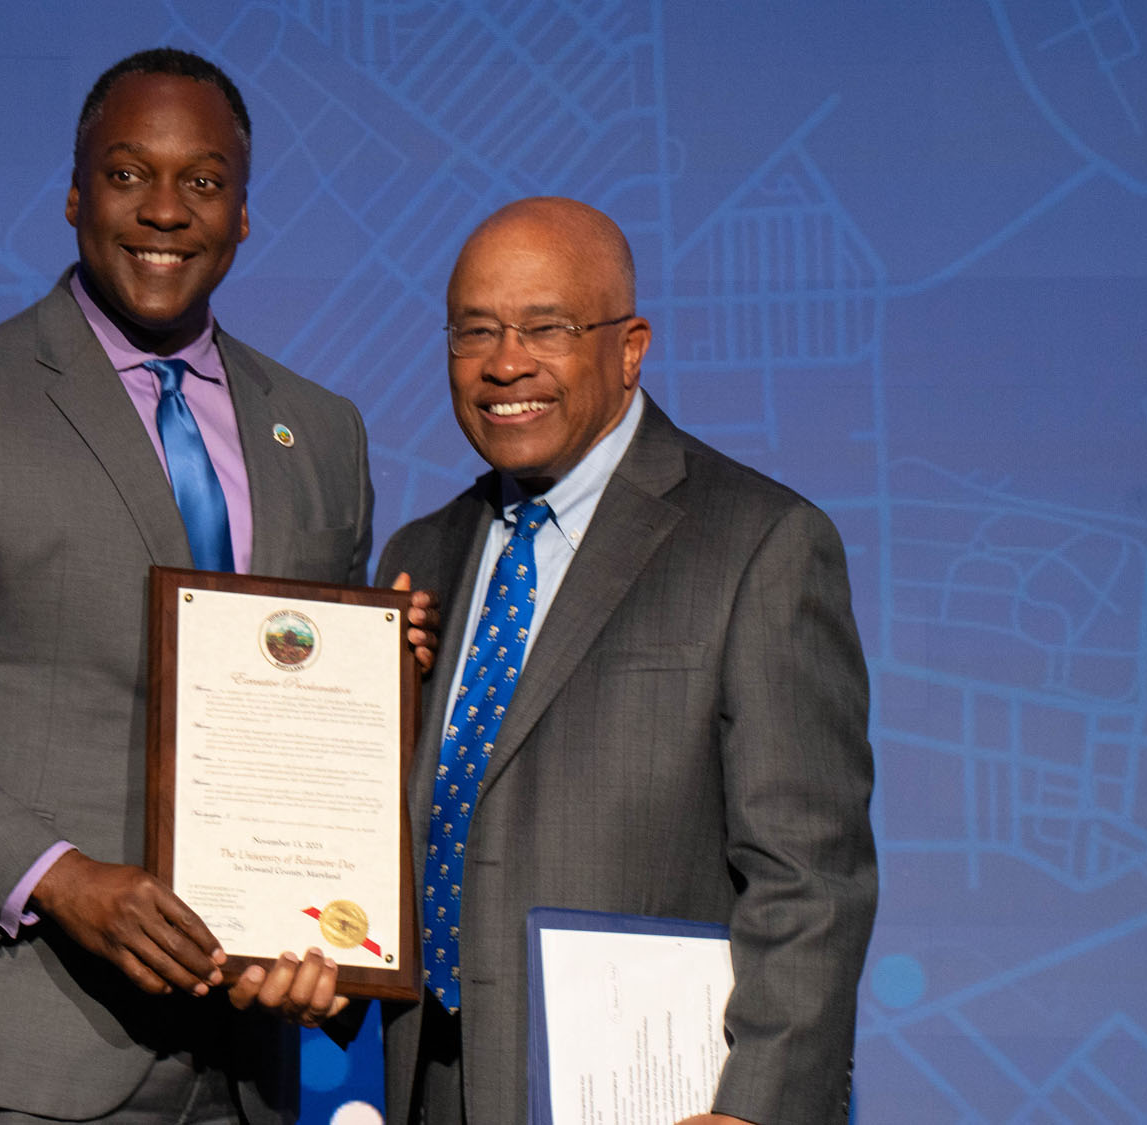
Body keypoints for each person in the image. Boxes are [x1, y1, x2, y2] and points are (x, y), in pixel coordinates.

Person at [0, 48, 433, 1123]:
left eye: (205, 181)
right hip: (16, 1055)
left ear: (242, 214)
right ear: (76, 195)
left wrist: (385, 695)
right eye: (130, 174)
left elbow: (306, 729)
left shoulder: (319, 431)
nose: (166, 210)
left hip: (242, 1065)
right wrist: (57, 876)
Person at [376, 197, 878, 1124]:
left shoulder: (760, 543)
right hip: (420, 1086)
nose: (505, 362)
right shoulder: (421, 553)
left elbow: (812, 878)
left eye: (547, 327)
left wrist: (755, 1110)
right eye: (474, 330)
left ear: (631, 347)